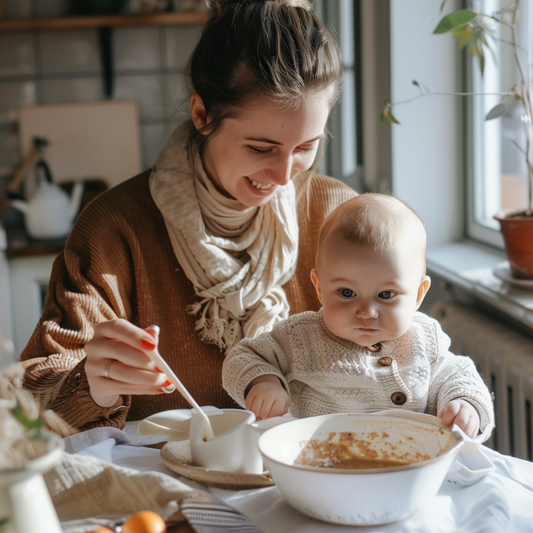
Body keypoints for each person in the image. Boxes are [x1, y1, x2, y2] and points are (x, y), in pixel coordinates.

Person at [18, 0, 357, 431]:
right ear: (202, 114)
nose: (284, 175)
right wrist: (91, 382)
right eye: (261, 148)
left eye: (306, 148)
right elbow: (28, 405)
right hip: (166, 494)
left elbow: (405, 358)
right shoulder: (113, 228)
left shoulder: (338, 216)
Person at [222, 194, 495, 439]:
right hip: (321, 465)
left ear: (418, 295)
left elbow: (458, 375)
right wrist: (264, 381)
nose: (366, 312)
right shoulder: (300, 336)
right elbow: (243, 357)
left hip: (408, 465)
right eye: (346, 292)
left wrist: (465, 404)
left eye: (386, 295)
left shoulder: (424, 339)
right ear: (319, 288)